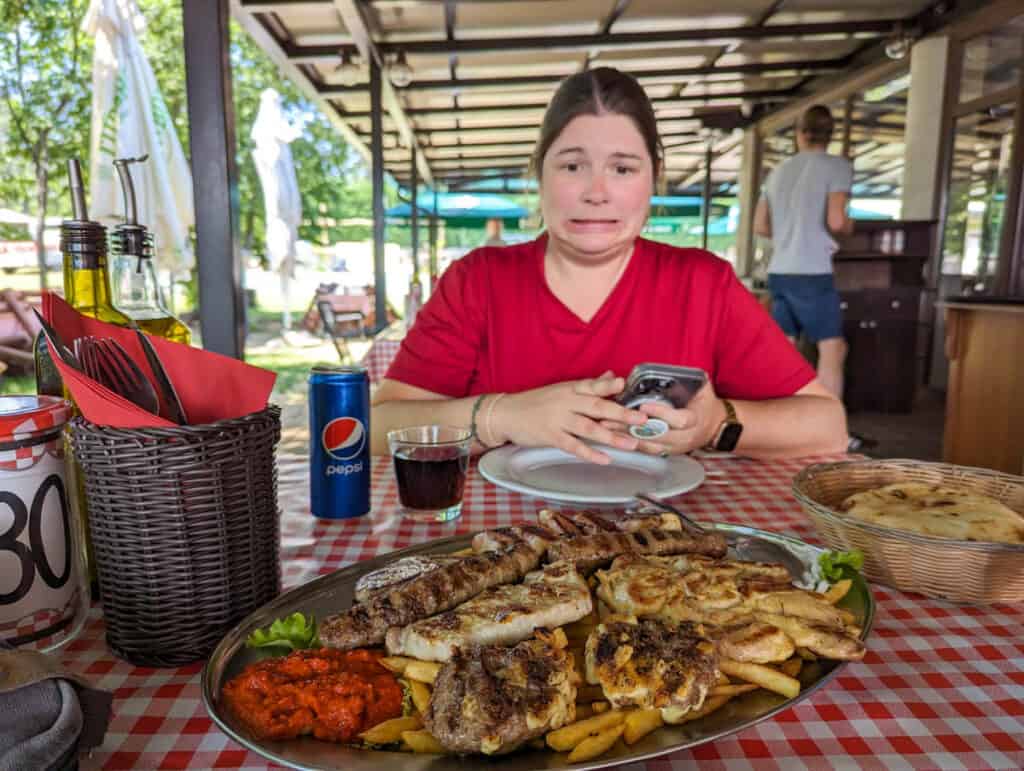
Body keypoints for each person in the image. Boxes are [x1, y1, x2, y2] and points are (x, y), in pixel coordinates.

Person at [371, 68, 848, 464]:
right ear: (540, 172)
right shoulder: (478, 280)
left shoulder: (702, 283)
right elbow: (375, 428)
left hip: (664, 560)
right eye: (572, 165)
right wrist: (505, 416)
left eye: (622, 168)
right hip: (492, 549)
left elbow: (829, 428)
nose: (596, 192)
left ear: (653, 177)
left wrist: (716, 423)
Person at [753, 105, 854, 399]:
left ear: (799, 135)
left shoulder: (778, 172)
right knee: (832, 349)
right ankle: (830, 431)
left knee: (784, 349)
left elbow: (760, 225)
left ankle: (782, 422)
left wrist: (788, 233)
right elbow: (836, 220)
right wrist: (850, 226)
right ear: (830, 134)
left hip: (780, 270)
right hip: (812, 271)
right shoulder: (837, 167)